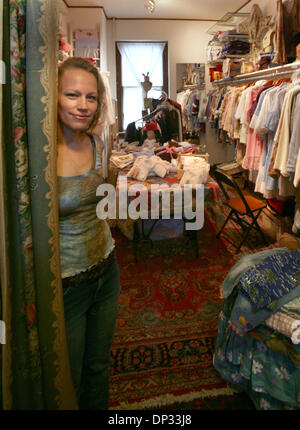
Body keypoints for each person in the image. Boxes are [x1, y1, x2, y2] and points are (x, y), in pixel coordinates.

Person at [57, 56, 120, 410]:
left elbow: (100, 205)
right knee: (69, 375)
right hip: (66, 284)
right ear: (54, 97)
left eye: (91, 97)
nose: (83, 105)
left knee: (98, 367)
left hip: (106, 270)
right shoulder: (36, 154)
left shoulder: (96, 144)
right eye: (72, 95)